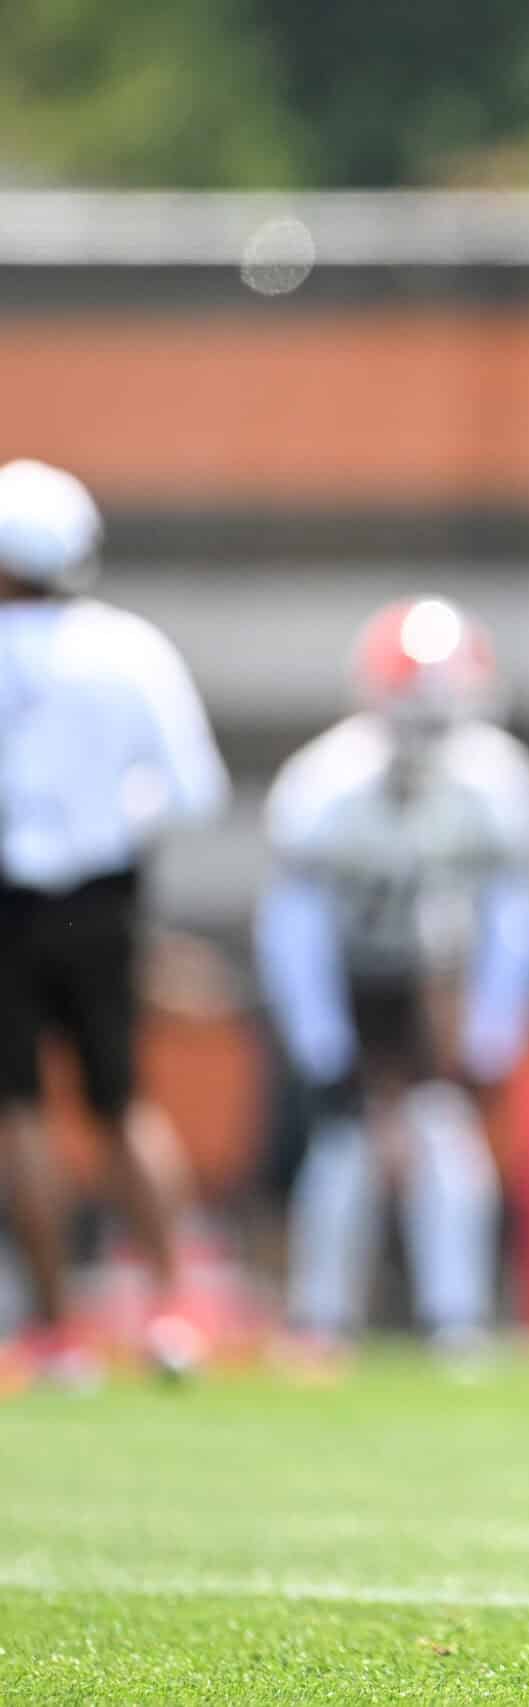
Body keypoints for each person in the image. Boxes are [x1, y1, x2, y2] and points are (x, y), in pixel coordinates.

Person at [258, 597, 529, 1366]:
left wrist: (492, 1031)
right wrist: (321, 1040)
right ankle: (321, 1318)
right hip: (351, 977)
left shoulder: (496, 780)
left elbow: (515, 918)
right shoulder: (326, 784)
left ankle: (454, 1319)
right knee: (343, 1148)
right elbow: (294, 929)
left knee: (446, 1141)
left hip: (434, 979)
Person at [0, 459, 228, 1387]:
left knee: (17, 1113)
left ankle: (58, 1331)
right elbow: (193, 789)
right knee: (120, 1100)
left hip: (4, 906)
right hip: (103, 901)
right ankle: (176, 1307)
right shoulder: (129, 647)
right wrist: (99, 822)